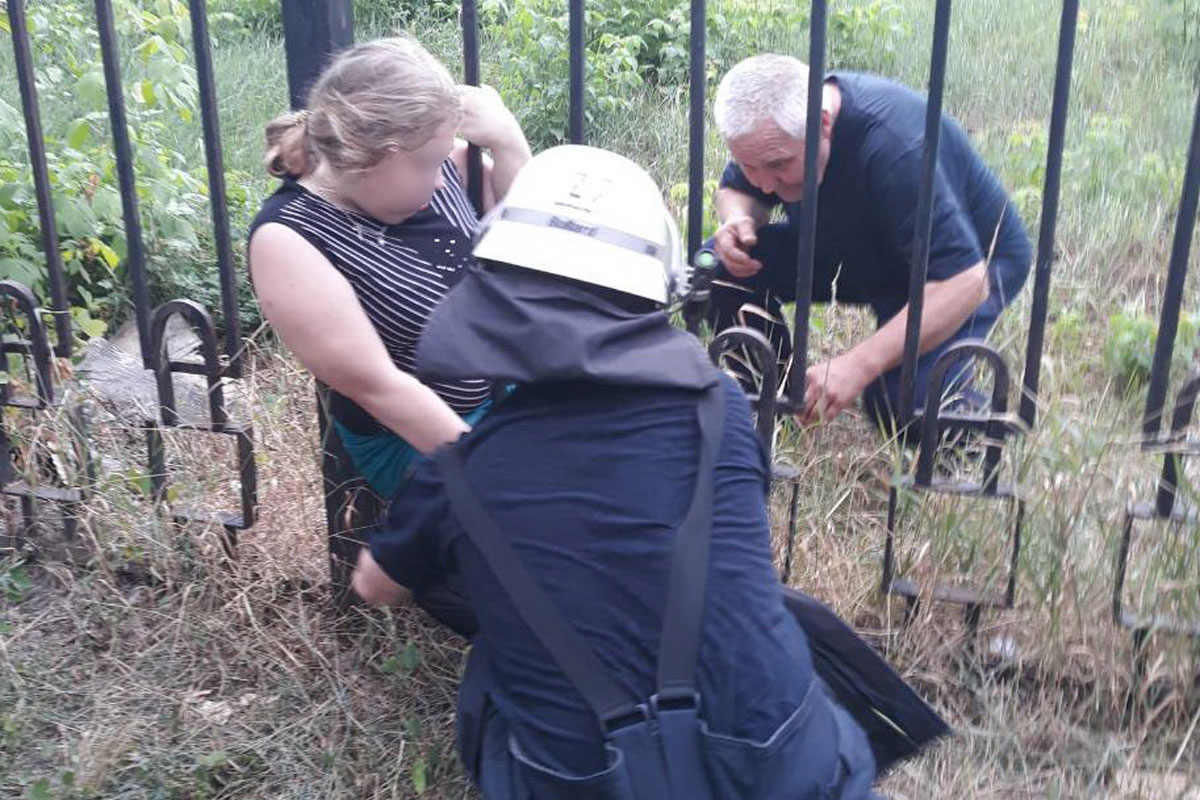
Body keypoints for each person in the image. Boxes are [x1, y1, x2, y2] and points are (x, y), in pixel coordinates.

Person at [351, 145, 881, 799]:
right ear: (655, 293)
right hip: (784, 771)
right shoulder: (721, 413)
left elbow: (375, 585)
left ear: (493, 294)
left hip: (583, 783)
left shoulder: (464, 469)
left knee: (494, 660)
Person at [247, 36, 531, 499]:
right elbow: (381, 388)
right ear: (362, 154)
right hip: (414, 438)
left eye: (441, 157)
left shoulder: (439, 169)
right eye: (424, 163)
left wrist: (507, 140)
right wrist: (496, 477)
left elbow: (536, 254)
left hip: (510, 393)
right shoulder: (288, 240)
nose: (441, 178)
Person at [707, 54, 1032, 434]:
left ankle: (983, 437)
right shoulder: (772, 136)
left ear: (824, 124)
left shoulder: (896, 149)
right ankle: (773, 407)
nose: (764, 184)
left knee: (905, 405)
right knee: (720, 268)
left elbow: (966, 283)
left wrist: (858, 364)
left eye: (779, 166)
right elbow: (736, 190)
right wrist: (737, 218)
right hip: (855, 247)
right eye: (750, 165)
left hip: (963, 266)